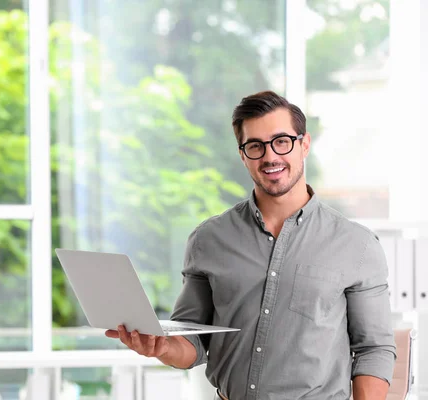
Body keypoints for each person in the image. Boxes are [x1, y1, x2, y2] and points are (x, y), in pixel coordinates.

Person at [105, 91, 396, 400]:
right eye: (255, 146)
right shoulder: (209, 240)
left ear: (304, 144)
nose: (270, 157)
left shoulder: (356, 245)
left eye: (281, 141)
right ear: (242, 155)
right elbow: (192, 342)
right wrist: (163, 347)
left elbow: (373, 348)